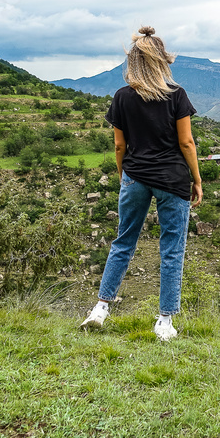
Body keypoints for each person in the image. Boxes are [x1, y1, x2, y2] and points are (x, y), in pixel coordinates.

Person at [80, 26, 203, 340]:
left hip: (135, 176)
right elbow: (187, 143)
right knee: (171, 251)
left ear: (132, 61)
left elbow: (120, 146)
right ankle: (165, 322)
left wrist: (124, 174)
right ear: (162, 60)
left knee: (123, 242)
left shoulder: (122, 97)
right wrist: (197, 180)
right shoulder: (177, 95)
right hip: (172, 179)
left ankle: (100, 309)